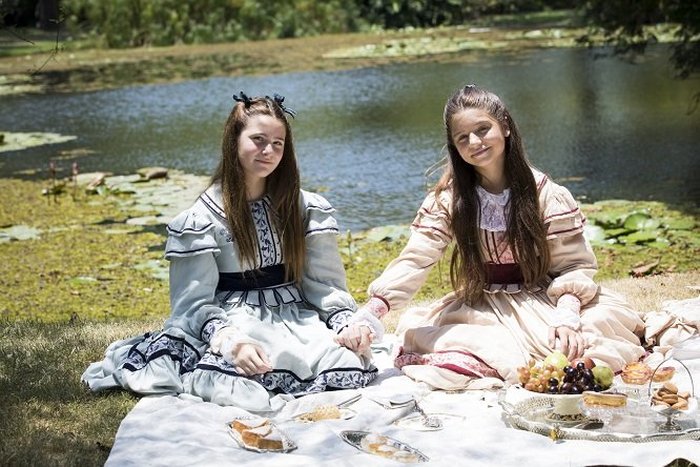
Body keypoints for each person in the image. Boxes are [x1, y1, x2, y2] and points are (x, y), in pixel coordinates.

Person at [340, 84, 696, 390]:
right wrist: (373, 310)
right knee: (490, 351)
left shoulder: (546, 193)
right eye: (462, 138)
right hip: (480, 304)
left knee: (580, 344)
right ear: (453, 146)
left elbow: (573, 264)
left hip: (543, 298)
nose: (475, 142)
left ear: (505, 126)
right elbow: (417, 258)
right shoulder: (450, 199)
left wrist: (568, 313)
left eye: (483, 129)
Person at [82, 92, 380, 411]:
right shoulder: (201, 218)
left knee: (346, 361)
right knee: (240, 381)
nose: (269, 151)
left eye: (278, 143)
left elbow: (324, 284)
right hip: (234, 318)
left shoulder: (304, 207)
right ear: (233, 141)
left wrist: (344, 321)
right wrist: (230, 341)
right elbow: (193, 303)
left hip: (296, 316)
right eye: (258, 140)